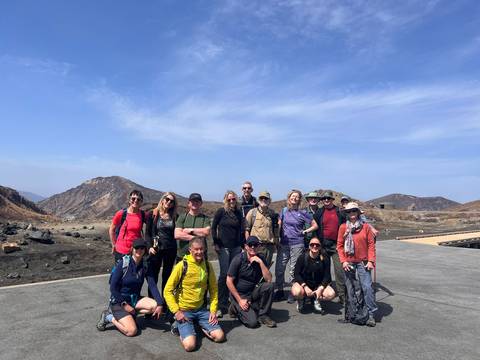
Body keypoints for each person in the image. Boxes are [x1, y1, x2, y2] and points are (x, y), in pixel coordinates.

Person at [164, 238, 225, 352]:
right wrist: (177, 312)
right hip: (184, 311)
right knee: (190, 346)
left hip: (201, 310)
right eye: (196, 249)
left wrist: (213, 310)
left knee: (220, 337)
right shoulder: (182, 266)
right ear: (190, 250)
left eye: (201, 249)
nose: (199, 252)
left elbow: (213, 289)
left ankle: (199, 325)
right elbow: (167, 290)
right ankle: (178, 325)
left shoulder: (207, 265)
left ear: (205, 249)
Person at [96, 238, 164, 336]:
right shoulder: (123, 264)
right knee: (132, 331)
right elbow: (113, 288)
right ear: (132, 249)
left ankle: (130, 315)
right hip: (118, 302)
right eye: (137, 248)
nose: (139, 250)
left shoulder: (145, 265)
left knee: (154, 305)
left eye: (142, 248)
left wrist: (160, 304)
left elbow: (152, 285)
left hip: (133, 300)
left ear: (145, 250)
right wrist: (124, 305)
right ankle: (109, 317)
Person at [337, 202, 377, 327]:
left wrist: (371, 261)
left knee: (367, 287)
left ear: (358, 212)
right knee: (350, 288)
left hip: (363, 262)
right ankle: (351, 313)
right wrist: (343, 261)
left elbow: (371, 245)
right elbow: (339, 246)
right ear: (346, 214)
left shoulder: (365, 227)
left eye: (354, 211)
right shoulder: (343, 227)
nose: (351, 214)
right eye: (348, 212)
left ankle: (370, 314)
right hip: (348, 261)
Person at [274, 190, 318, 303]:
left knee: (293, 270)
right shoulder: (283, 211)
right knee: (279, 269)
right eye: (292, 196)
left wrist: (305, 231)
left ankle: (294, 293)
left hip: (297, 244)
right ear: (289, 198)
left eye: (297, 197)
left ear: (299, 199)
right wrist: (276, 238)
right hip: (284, 244)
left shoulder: (303, 212)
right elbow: (279, 225)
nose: (294, 198)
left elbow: (315, 225)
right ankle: (279, 290)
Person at [226, 236, 276, 328]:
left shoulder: (260, 258)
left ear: (259, 246)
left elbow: (269, 279)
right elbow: (228, 281)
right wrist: (240, 300)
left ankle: (263, 315)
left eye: (255, 245)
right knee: (252, 323)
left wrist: (260, 262)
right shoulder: (238, 259)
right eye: (250, 245)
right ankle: (235, 307)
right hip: (240, 294)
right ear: (246, 246)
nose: (253, 247)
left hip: (253, 292)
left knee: (269, 286)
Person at [212, 190, 244, 317]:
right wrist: (215, 243)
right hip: (224, 248)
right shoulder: (221, 211)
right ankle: (221, 304)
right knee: (224, 274)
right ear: (225, 200)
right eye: (229, 199)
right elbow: (214, 227)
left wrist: (242, 244)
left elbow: (241, 229)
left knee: (233, 275)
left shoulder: (238, 212)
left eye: (233, 199)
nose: (231, 201)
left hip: (236, 247)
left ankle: (233, 304)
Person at [313, 190, 346, 304]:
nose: (326, 200)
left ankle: (342, 295)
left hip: (336, 245)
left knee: (339, 271)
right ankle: (324, 291)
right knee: (323, 270)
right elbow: (315, 228)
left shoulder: (340, 212)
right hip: (323, 245)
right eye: (324, 199)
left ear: (332, 200)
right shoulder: (319, 213)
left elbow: (349, 224)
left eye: (328, 198)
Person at [291, 237, 335, 314]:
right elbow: (296, 274)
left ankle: (316, 299)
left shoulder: (325, 258)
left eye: (317, 245)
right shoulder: (302, 257)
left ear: (320, 247)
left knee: (331, 294)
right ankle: (301, 299)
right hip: (304, 283)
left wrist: (321, 288)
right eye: (312, 245)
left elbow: (327, 275)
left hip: (318, 284)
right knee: (297, 292)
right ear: (309, 246)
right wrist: (305, 286)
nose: (314, 246)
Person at [145, 192, 178, 297]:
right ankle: (153, 301)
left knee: (167, 276)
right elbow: (147, 233)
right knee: (153, 276)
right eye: (167, 199)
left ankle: (165, 302)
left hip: (170, 249)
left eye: (172, 201)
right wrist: (149, 247)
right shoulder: (153, 214)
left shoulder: (174, 216)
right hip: (156, 249)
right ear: (162, 200)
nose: (169, 202)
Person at [109, 190, 147, 263]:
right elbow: (111, 229)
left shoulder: (143, 215)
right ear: (129, 200)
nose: (135, 201)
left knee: (134, 273)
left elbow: (153, 221)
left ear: (141, 202)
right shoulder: (121, 214)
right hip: (121, 250)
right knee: (121, 273)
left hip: (136, 251)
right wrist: (113, 244)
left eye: (138, 199)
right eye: (133, 199)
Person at [244, 191, 278, 268]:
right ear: (258, 200)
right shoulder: (252, 213)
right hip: (255, 247)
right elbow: (247, 230)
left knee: (265, 269)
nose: (263, 200)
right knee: (253, 269)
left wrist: (276, 243)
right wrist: (248, 245)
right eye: (261, 198)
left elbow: (276, 229)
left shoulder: (273, 214)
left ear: (269, 200)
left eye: (266, 198)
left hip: (269, 247)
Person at [175, 193, 211, 260]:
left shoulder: (205, 218)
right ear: (189, 203)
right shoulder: (182, 217)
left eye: (197, 201)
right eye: (193, 201)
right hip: (183, 255)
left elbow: (206, 232)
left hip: (200, 256)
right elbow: (177, 235)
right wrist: (197, 238)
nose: (195, 203)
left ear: (201, 203)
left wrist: (190, 230)